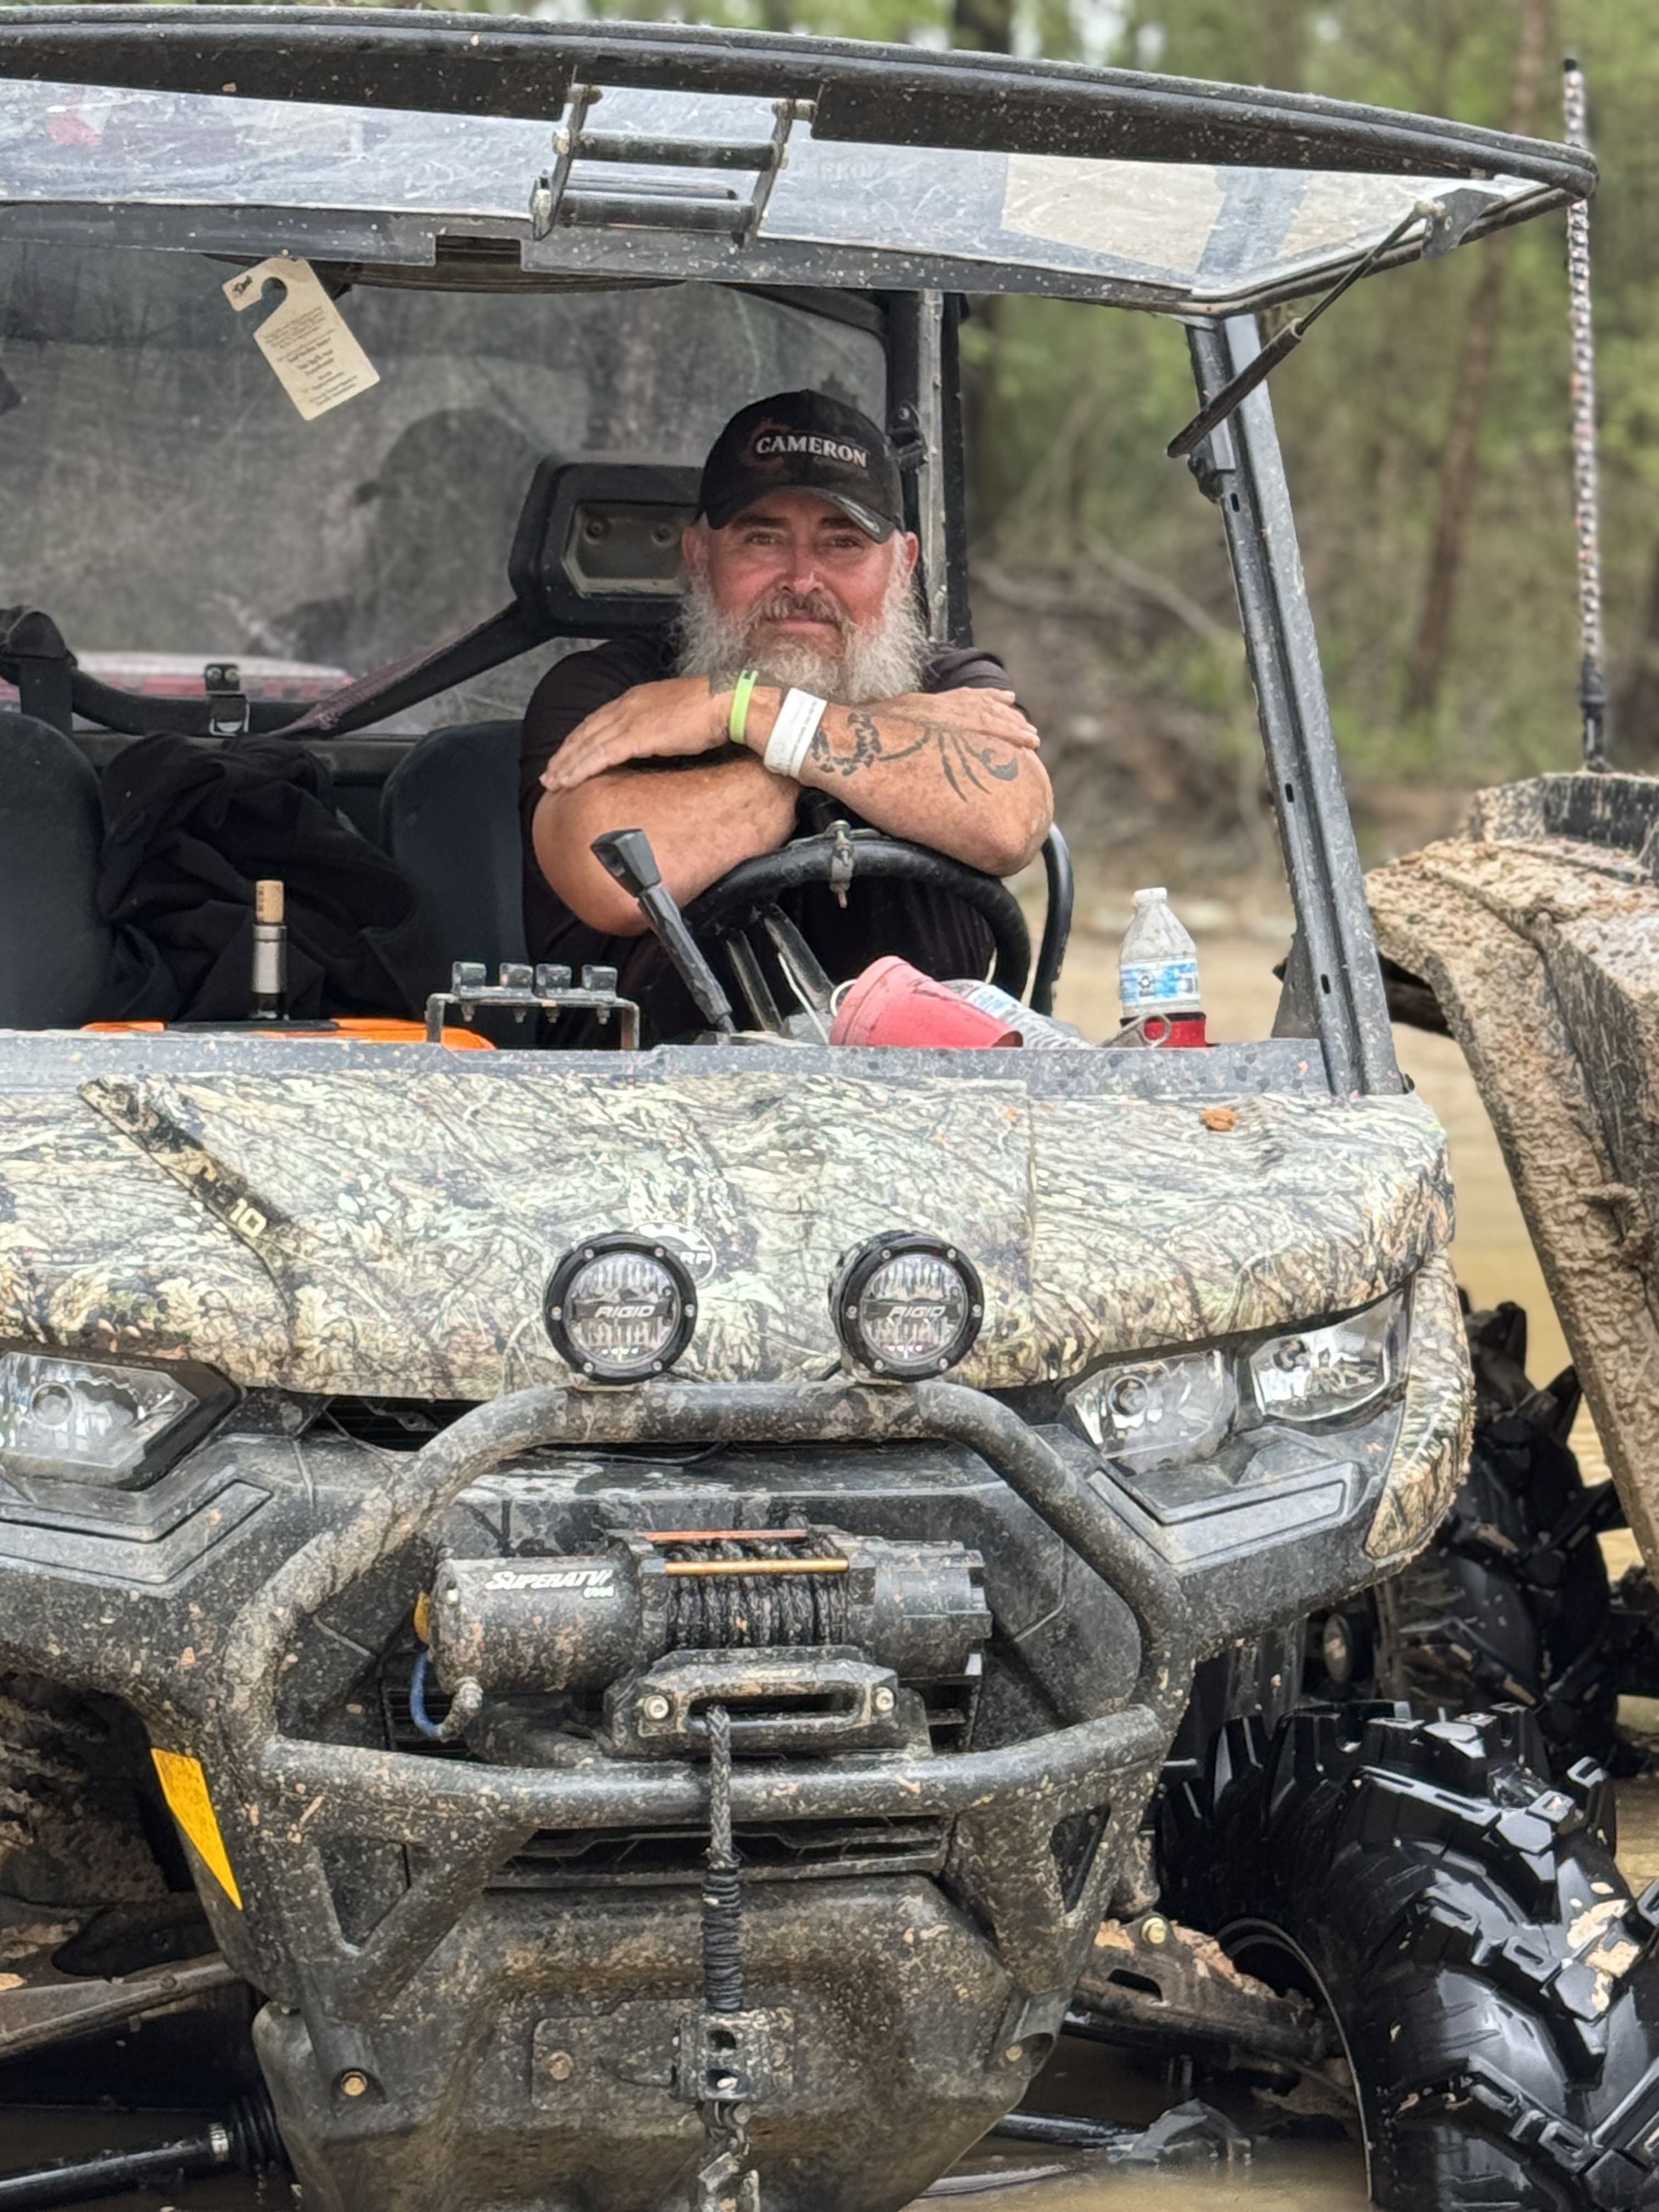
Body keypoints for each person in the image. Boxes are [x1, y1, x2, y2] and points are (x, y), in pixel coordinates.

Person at [520, 390, 1052, 1039]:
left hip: (918, 1112)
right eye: (763, 539)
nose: (802, 579)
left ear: (903, 563)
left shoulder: (952, 684)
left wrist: (743, 708)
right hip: (647, 1112)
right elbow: (604, 874)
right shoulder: (612, 693)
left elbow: (1011, 821)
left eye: (843, 543)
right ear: (697, 557)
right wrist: (834, 744)